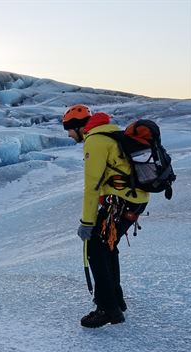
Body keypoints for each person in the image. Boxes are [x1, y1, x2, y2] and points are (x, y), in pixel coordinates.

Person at [62, 105, 149, 328]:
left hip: (120, 202)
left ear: (79, 127)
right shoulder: (111, 133)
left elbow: (92, 186)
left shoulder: (95, 141)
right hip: (134, 200)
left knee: (96, 248)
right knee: (107, 246)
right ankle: (116, 301)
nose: (69, 135)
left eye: (69, 130)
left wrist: (87, 222)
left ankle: (107, 309)